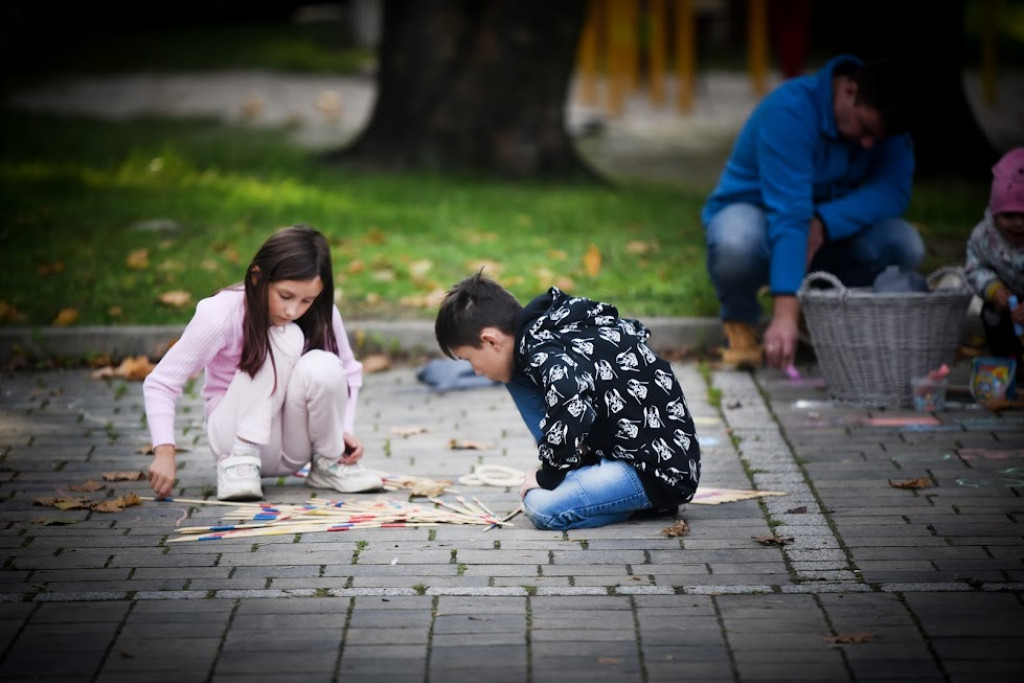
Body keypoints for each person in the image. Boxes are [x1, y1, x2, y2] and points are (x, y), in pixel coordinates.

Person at [702, 54, 926, 370]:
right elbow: (791, 216)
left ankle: (819, 313)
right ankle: (742, 322)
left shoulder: (885, 120)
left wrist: (826, 221)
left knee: (904, 243)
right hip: (761, 221)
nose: (867, 145)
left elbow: (893, 190)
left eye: (877, 138)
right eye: (863, 129)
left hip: (823, 232)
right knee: (735, 241)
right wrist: (784, 311)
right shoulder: (789, 112)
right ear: (849, 90)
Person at [434, 271, 701, 531]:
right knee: (512, 372)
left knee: (541, 506)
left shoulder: (543, 352)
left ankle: (641, 503)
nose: (476, 371)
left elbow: (574, 407)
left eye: (469, 359)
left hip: (655, 473)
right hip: (626, 452)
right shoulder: (547, 330)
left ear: (491, 340)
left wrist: (547, 477)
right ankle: (573, 466)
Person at [143, 224, 383, 501]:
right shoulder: (220, 313)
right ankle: (240, 461)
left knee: (325, 365)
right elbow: (161, 383)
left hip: (292, 447)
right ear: (257, 276)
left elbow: (349, 374)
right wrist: (164, 452)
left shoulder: (323, 313)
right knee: (287, 336)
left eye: (307, 300)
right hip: (232, 439)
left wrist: (342, 432)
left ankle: (329, 464)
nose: (293, 310)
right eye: (285, 296)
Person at [964, 147, 1024, 382]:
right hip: (1007, 303)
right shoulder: (984, 237)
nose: (1018, 224)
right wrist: (993, 288)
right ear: (994, 212)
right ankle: (1006, 366)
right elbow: (974, 266)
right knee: (991, 316)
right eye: (1009, 215)